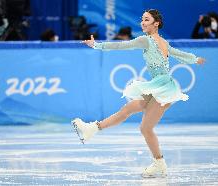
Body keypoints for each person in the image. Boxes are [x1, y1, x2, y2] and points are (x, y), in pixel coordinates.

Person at [72, 9, 205, 178]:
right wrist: (195, 59)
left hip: (162, 89)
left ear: (156, 23)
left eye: (147, 20)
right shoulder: (163, 42)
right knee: (127, 109)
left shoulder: (146, 40)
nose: (142, 22)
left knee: (145, 128)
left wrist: (97, 45)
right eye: (142, 19)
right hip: (159, 85)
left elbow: (122, 45)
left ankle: (159, 164)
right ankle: (92, 129)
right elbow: (180, 54)